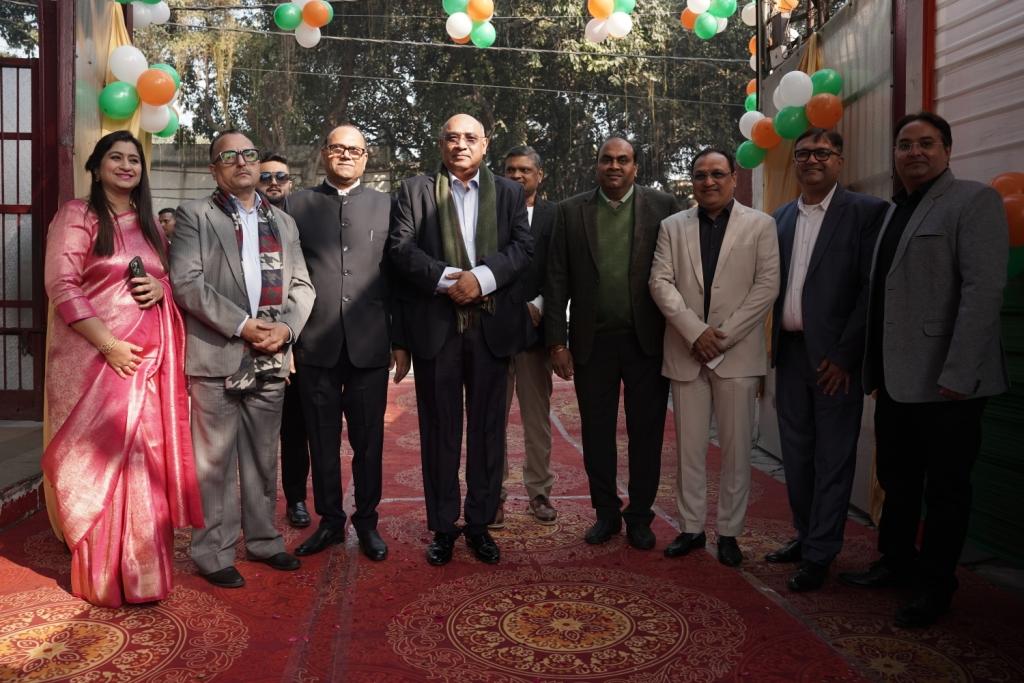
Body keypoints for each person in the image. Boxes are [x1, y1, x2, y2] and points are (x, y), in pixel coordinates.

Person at [840, 112, 1009, 628]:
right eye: (904, 144)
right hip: (896, 380)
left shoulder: (974, 201)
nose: (914, 152)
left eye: (926, 143)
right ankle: (896, 562)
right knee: (898, 479)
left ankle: (936, 586)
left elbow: (983, 291)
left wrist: (959, 373)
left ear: (947, 150)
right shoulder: (897, 209)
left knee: (945, 491)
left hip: (948, 382)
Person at [41, 130, 203, 607]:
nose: (127, 165)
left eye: (134, 159)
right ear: (97, 166)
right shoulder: (78, 215)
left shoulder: (149, 223)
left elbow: (164, 280)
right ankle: (104, 578)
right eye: (116, 157)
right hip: (97, 364)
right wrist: (109, 345)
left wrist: (161, 290)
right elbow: (62, 285)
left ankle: (143, 575)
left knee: (142, 465)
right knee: (102, 465)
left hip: (146, 367)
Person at [170, 129, 315, 589]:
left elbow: (302, 286)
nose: (242, 162)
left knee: (261, 458)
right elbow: (187, 283)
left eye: (248, 154)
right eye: (229, 156)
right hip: (218, 354)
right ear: (214, 168)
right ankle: (212, 551)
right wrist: (242, 325)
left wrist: (286, 329)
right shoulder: (195, 215)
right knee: (214, 463)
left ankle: (264, 540)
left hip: (271, 356)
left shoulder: (284, 222)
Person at [389, 113, 532, 566]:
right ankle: (443, 527)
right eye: (452, 138)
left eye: (471, 138)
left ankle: (480, 525)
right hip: (438, 328)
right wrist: (451, 279)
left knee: (489, 432)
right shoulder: (415, 191)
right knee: (440, 431)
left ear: (485, 145)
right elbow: (400, 249)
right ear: (440, 144)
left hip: (492, 329)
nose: (461, 145)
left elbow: (523, 249)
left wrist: (482, 279)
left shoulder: (509, 193)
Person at [766, 129, 889, 591]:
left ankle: (821, 553)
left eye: (822, 152)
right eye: (803, 153)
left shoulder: (867, 213)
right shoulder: (780, 218)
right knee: (796, 456)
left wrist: (845, 355)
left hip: (836, 362)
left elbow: (870, 289)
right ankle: (806, 535)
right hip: (791, 354)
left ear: (840, 159)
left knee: (833, 457)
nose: (811, 160)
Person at [545, 137, 679, 550]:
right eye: (607, 159)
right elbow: (556, 279)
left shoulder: (664, 207)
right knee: (597, 433)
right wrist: (557, 343)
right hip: (592, 343)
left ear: (636, 166)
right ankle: (605, 513)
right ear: (597, 165)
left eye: (623, 160)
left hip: (647, 343)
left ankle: (639, 515)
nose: (614, 166)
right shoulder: (571, 212)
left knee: (647, 433)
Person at [649, 148, 779, 567]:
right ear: (693, 181)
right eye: (701, 175)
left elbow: (767, 286)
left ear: (734, 177)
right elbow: (660, 282)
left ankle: (729, 532)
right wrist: (695, 332)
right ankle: (690, 527)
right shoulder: (672, 226)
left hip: (736, 353)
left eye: (718, 174)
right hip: (686, 352)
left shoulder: (761, 225)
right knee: (688, 449)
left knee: (737, 451)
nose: (709, 182)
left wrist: (721, 337)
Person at [287, 125, 410, 561]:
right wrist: (288, 341)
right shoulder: (296, 205)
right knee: (320, 440)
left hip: (369, 345)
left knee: (369, 441)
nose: (345, 155)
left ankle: (368, 522)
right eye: (337, 148)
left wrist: (400, 341)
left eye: (354, 150)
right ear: (324, 153)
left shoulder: (387, 206)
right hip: (314, 344)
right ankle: (330, 521)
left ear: (366, 157)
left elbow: (397, 279)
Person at [493, 145, 558, 528]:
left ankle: (539, 492)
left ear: (539, 175)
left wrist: (540, 305)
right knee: (492, 419)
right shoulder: (490, 213)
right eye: (510, 170)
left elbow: (561, 270)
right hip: (495, 332)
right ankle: (494, 494)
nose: (517, 176)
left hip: (535, 332)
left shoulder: (555, 216)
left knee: (536, 419)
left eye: (524, 170)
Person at [257, 153, 310, 529]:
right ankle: (254, 510)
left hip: (293, 343)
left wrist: (288, 342)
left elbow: (304, 285)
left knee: (294, 430)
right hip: (245, 339)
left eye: (281, 176)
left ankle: (296, 499)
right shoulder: (236, 222)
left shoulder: (299, 224)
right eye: (266, 177)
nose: (274, 182)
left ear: (290, 182)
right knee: (252, 437)